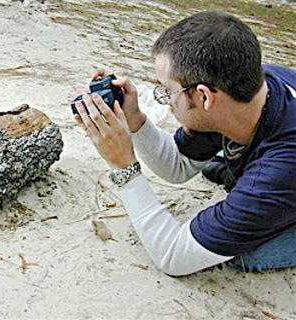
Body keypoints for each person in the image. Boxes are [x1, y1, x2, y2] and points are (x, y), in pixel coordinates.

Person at [73, 10, 296, 276]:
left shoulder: (281, 167)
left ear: (203, 97)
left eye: (168, 91)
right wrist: (135, 120)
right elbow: (178, 166)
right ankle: (233, 169)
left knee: (250, 255)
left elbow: (174, 257)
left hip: (284, 177)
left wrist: (124, 166)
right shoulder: (245, 90)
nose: (166, 100)